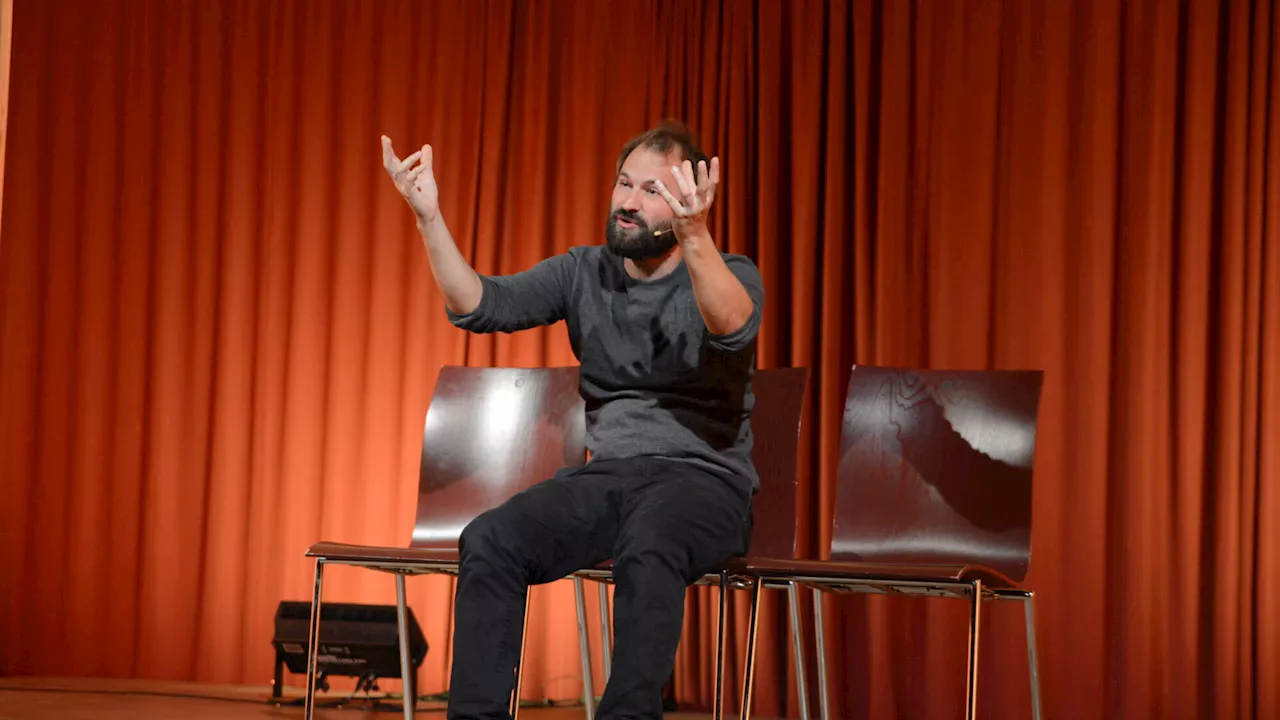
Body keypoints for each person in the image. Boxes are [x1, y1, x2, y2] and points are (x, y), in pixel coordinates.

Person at [380, 120, 764, 720]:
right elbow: (478, 304)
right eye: (623, 184)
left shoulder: (728, 271)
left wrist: (696, 238)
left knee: (650, 542)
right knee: (490, 538)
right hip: (609, 478)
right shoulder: (582, 272)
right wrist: (430, 218)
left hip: (704, 483)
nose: (629, 203)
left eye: (652, 191)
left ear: (687, 205)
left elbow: (733, 323)